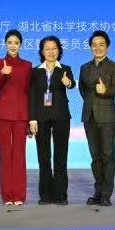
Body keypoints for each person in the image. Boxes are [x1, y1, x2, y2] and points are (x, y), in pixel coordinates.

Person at [28, 36, 75, 205]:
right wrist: (32, 119)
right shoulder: (34, 72)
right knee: (44, 157)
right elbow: (32, 96)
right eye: (47, 48)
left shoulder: (65, 69)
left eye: (54, 48)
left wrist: (68, 82)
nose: (51, 51)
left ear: (59, 50)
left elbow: (72, 84)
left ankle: (61, 195)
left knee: (61, 156)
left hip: (61, 116)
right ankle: (46, 195)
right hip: (41, 118)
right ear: (42, 51)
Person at [78, 30, 115, 207]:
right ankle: (97, 192)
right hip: (89, 116)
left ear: (107, 46)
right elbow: (82, 89)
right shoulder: (84, 67)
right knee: (95, 157)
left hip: (107, 116)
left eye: (101, 44)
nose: (98, 48)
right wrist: (91, 102)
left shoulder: (114, 67)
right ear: (90, 47)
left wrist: (106, 91)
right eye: (94, 45)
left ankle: (106, 194)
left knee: (107, 156)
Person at [0, 29, 32, 206]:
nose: (13, 46)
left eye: (16, 43)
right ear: (5, 44)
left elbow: (29, 92)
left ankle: (19, 195)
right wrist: (3, 73)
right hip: (2, 114)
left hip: (21, 115)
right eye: (10, 42)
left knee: (19, 156)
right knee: (5, 155)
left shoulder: (28, 65)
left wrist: (31, 118)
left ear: (20, 44)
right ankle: (7, 195)